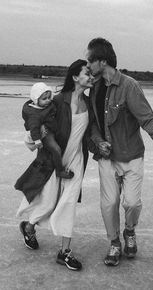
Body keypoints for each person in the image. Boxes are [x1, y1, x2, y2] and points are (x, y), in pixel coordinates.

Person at [86, 37, 153, 266]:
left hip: (132, 155)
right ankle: (114, 242)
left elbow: (147, 118)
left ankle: (129, 231)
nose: (88, 65)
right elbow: (93, 123)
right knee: (109, 203)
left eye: (90, 60)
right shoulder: (94, 88)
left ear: (102, 61)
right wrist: (98, 141)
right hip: (107, 158)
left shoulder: (129, 86)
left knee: (132, 203)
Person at [15, 59, 94, 271]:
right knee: (48, 202)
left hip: (76, 159)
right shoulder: (57, 101)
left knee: (68, 203)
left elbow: (90, 133)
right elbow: (33, 112)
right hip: (54, 160)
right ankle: (29, 227)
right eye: (88, 73)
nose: (91, 77)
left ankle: (64, 252)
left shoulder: (90, 103)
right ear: (76, 77)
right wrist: (33, 137)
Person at [22, 82, 74, 179]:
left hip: (52, 129)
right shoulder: (34, 114)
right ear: (36, 99)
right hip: (45, 134)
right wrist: (37, 140)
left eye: (49, 97)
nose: (47, 101)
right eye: (44, 99)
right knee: (56, 149)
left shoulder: (47, 105)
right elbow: (34, 128)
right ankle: (60, 171)